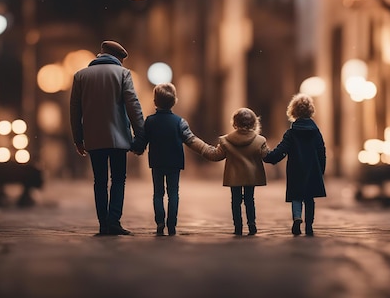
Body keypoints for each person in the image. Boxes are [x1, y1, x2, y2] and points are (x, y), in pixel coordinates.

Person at [69, 40, 145, 236]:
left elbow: (75, 110)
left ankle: (103, 223)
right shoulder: (122, 74)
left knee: (99, 181)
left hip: (93, 138)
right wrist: (140, 135)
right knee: (118, 179)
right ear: (119, 58)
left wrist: (78, 138)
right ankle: (114, 221)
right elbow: (133, 106)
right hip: (119, 138)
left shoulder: (80, 76)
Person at [132, 83, 208, 236]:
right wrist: (207, 150)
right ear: (175, 101)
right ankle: (172, 223)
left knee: (158, 193)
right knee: (173, 193)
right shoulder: (180, 122)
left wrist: (132, 145)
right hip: (175, 162)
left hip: (157, 162)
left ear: (155, 102)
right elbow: (190, 139)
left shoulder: (150, 121)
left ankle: (160, 221)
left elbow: (142, 142)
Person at [263, 93, 327, 236]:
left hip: (295, 170)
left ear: (293, 111)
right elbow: (321, 151)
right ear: (310, 111)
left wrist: (268, 157)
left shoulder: (291, 133)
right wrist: (321, 170)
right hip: (312, 170)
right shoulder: (316, 132)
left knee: (297, 197)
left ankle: (297, 218)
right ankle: (309, 225)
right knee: (309, 199)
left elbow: (281, 150)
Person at [200, 108, 269, 236]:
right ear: (254, 123)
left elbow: (216, 156)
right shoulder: (260, 141)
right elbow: (266, 156)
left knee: (235, 201)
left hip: (234, 177)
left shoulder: (226, 141)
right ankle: (251, 223)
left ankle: (238, 225)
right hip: (251, 176)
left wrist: (201, 147)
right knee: (250, 199)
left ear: (234, 123)